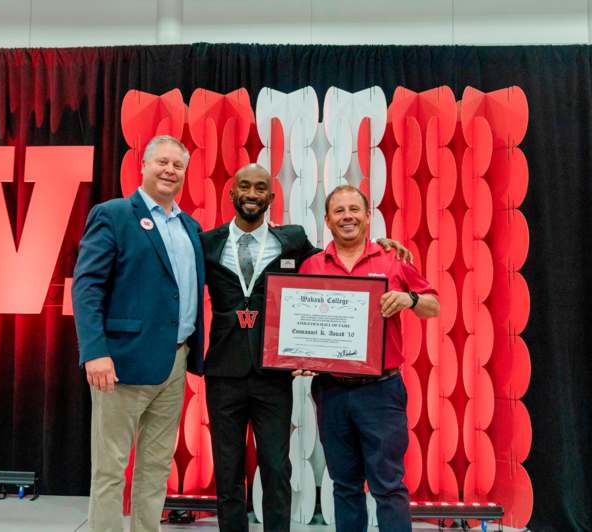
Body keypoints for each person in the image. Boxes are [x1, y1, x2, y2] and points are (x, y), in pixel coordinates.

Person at [201, 165, 412, 532]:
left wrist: (381, 245)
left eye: (261, 188)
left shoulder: (294, 240)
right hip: (224, 370)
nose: (252, 193)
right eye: (245, 187)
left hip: (273, 375)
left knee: (278, 469)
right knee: (228, 469)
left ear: (271, 197)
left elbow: (339, 258)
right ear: (232, 193)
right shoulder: (207, 242)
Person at [72, 135, 205, 532]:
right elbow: (87, 286)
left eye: (177, 165)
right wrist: (95, 351)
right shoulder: (113, 214)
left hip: (174, 362)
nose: (169, 170)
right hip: (120, 362)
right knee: (111, 467)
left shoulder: (191, 227)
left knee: (156, 466)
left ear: (184, 173)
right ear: (143, 165)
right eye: (161, 162)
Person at [295, 185, 439, 532]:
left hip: (382, 392)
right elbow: (298, 322)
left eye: (354, 209)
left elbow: (433, 304)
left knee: (388, 486)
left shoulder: (394, 259)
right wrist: (296, 356)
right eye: (339, 211)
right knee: (344, 486)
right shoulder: (312, 265)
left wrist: (409, 299)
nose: (348, 216)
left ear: (368, 215)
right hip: (331, 392)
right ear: (327, 220)